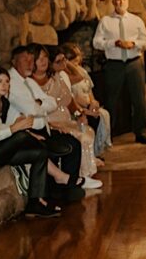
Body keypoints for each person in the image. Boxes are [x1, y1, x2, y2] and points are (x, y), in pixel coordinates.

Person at [0, 59, 62, 218]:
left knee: (39, 154)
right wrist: (14, 129)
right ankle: (52, 147)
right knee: (20, 135)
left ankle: (35, 203)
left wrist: (15, 126)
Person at [0, 66, 91, 195]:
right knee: (35, 143)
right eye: (0, 82)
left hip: (15, 136)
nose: (5, 85)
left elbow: (50, 104)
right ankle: (61, 178)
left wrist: (29, 132)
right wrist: (26, 132)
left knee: (49, 147)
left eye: (7, 82)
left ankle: (45, 197)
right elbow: (0, 129)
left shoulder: (4, 102)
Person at [6, 45, 84, 190]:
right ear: (13, 61)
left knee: (73, 143)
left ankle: (68, 186)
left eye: (31, 60)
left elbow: (52, 103)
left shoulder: (28, 81)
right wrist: (40, 106)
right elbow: (31, 109)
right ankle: (60, 186)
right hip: (27, 133)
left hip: (44, 128)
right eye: (25, 60)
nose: (29, 63)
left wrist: (39, 104)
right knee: (59, 146)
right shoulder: (11, 82)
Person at [31, 45, 102, 189]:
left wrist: (80, 114)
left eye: (45, 58)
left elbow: (69, 101)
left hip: (65, 118)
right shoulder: (30, 84)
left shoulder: (57, 77)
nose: (43, 62)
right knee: (77, 137)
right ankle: (75, 179)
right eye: (40, 59)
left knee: (87, 130)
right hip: (51, 122)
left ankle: (84, 175)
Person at [93, 0, 146, 144]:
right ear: (113, 2)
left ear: (128, 1)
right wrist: (114, 43)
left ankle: (140, 132)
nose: (121, 2)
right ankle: (108, 134)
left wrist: (133, 44)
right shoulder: (105, 21)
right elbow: (96, 42)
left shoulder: (136, 20)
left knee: (138, 99)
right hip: (114, 64)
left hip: (134, 62)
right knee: (111, 99)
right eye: (118, 0)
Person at [60, 42, 112, 157]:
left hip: (87, 104)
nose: (77, 65)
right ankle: (89, 154)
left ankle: (96, 150)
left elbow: (89, 91)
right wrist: (85, 110)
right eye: (74, 62)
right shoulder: (64, 75)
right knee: (92, 118)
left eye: (78, 61)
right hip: (75, 109)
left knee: (102, 114)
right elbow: (70, 98)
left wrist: (93, 102)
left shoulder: (82, 71)